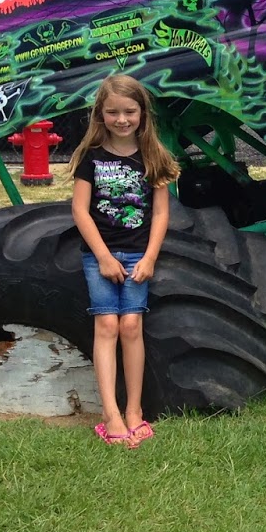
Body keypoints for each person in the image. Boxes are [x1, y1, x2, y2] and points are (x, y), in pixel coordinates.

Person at [69, 75, 181, 448]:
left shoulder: (154, 156)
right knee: (107, 326)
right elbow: (80, 210)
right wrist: (102, 256)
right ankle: (110, 413)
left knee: (131, 326)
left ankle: (134, 409)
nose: (122, 119)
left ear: (142, 113)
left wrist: (150, 258)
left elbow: (161, 213)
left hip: (137, 256)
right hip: (100, 256)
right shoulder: (91, 158)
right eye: (113, 112)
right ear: (100, 114)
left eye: (129, 111)